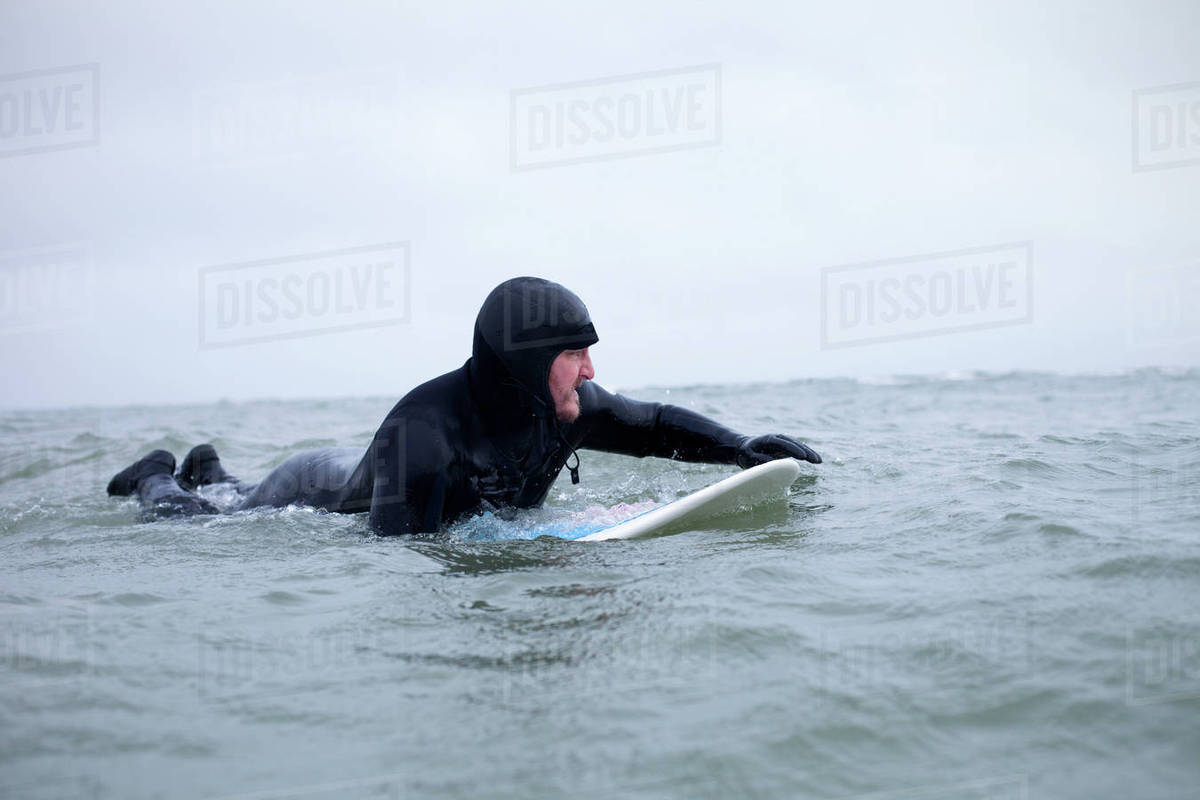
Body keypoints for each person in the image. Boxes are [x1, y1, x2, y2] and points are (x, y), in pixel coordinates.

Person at [107, 277, 821, 534]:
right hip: (314, 487)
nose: (591, 370)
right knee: (206, 524)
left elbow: (654, 424)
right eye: (573, 354)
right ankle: (162, 474)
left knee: (230, 494)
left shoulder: (565, 407)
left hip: (339, 463)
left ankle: (211, 464)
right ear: (523, 365)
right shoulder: (427, 438)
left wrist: (740, 447)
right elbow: (399, 554)